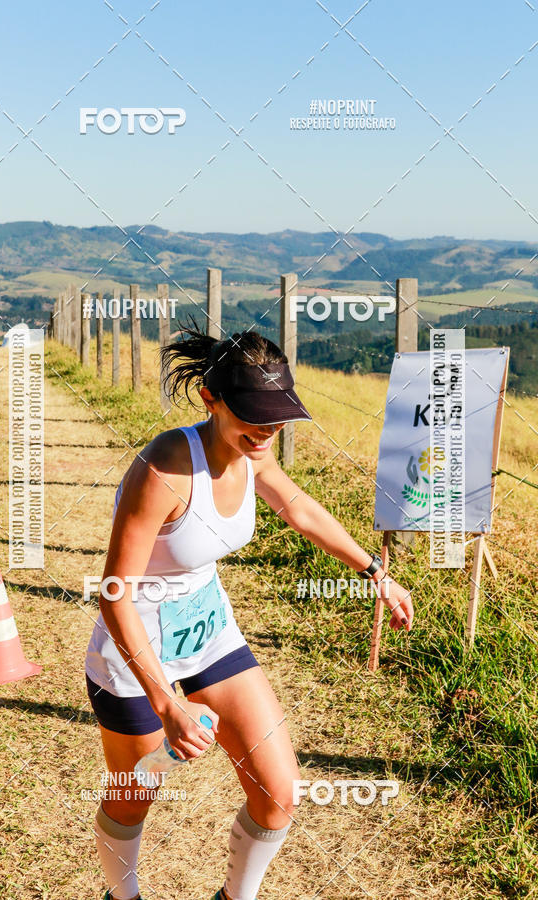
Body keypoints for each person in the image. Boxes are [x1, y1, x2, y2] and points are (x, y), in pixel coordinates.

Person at [84, 319, 414, 900]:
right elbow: (115, 595)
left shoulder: (252, 450)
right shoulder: (165, 468)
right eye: (253, 416)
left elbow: (298, 507)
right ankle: (122, 896)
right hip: (137, 651)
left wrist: (375, 573)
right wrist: (167, 704)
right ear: (211, 400)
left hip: (209, 635)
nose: (267, 430)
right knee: (133, 798)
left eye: (276, 415)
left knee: (279, 793)